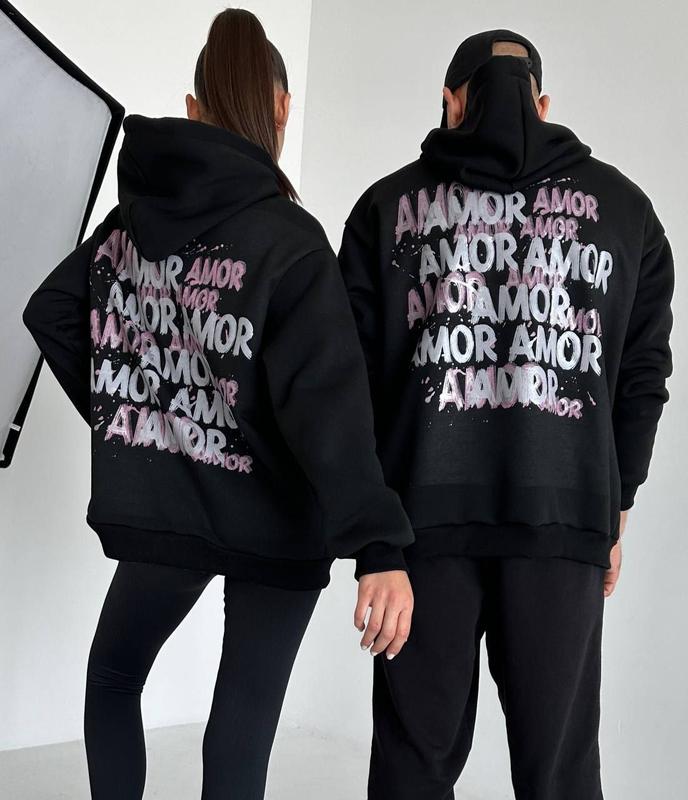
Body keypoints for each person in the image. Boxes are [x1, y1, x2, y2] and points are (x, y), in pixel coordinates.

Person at [23, 8, 414, 800]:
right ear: (282, 107)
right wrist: (380, 547)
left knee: (113, 679)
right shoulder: (291, 241)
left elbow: (52, 311)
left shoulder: (130, 228)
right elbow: (327, 410)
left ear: (194, 108)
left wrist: (139, 418)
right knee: (241, 731)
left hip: (172, 504)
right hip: (280, 520)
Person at [338, 29, 673, 800]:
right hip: (562, 520)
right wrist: (613, 508)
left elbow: (349, 388)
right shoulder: (626, 211)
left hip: (420, 532)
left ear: (452, 102)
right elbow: (642, 376)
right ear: (541, 105)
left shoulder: (386, 208)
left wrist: (377, 541)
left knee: (412, 767)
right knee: (559, 775)